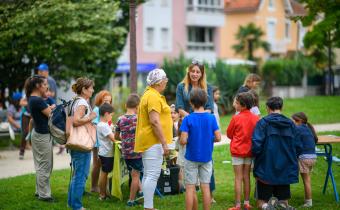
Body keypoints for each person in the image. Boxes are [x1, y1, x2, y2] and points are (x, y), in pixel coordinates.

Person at [252, 97, 302, 210]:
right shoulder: (291, 124)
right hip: (285, 167)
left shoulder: (262, 123)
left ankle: (266, 207)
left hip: (265, 167)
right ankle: (284, 206)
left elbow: (256, 145)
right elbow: (298, 146)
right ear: (282, 107)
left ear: (268, 108)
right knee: (284, 201)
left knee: (261, 202)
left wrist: (257, 158)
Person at [134, 68, 172, 210]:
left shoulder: (150, 94)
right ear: (159, 82)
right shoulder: (153, 96)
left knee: (148, 174)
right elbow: (154, 121)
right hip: (153, 141)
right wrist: (164, 143)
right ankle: (148, 207)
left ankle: (147, 206)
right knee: (152, 174)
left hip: (150, 141)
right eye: (165, 80)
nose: (166, 83)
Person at [180, 88, 221, 210]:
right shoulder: (212, 118)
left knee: (190, 188)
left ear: (191, 103)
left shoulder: (188, 119)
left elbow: (182, 140)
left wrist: (192, 139)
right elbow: (218, 138)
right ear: (206, 101)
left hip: (191, 158)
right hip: (206, 158)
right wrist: (207, 138)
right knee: (206, 187)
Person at [67, 77, 97, 210]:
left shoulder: (75, 101)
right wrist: (90, 117)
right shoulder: (82, 103)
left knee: (77, 174)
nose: (93, 90)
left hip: (75, 142)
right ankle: (77, 206)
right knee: (80, 176)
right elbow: (76, 121)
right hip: (81, 144)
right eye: (91, 88)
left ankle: (71, 203)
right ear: (84, 89)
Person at [227, 92, 260, 210]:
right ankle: (246, 203)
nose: (235, 104)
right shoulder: (256, 118)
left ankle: (237, 205)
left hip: (237, 151)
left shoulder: (236, 118)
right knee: (246, 177)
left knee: (238, 177)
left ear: (243, 105)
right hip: (249, 151)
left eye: (236, 102)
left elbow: (229, 134)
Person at [25, 75, 54, 202]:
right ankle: (45, 195)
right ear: (38, 86)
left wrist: (49, 108)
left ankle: (39, 191)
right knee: (45, 166)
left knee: (40, 165)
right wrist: (54, 108)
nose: (47, 86)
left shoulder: (33, 99)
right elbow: (51, 115)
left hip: (38, 134)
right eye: (45, 84)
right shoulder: (38, 100)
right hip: (42, 136)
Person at [114, 94, 143, 206]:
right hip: (136, 152)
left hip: (125, 152)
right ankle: (131, 200)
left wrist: (125, 138)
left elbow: (116, 136)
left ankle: (141, 191)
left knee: (133, 173)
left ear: (126, 105)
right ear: (137, 106)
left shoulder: (120, 119)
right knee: (136, 175)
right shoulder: (139, 119)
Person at [292, 112, 318, 208]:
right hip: (313, 157)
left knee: (306, 181)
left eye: (293, 121)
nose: (292, 123)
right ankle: (308, 200)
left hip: (304, 158)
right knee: (307, 179)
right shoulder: (308, 128)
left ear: (299, 121)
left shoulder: (297, 129)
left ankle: (308, 202)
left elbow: (296, 144)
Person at [90, 90, 113, 193]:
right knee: (97, 164)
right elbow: (94, 125)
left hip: (103, 141)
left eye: (109, 100)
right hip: (98, 142)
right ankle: (94, 186)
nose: (107, 102)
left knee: (102, 165)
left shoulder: (107, 110)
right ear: (100, 99)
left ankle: (102, 187)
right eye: (105, 100)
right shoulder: (97, 109)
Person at [97, 103, 116, 200]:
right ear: (106, 114)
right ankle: (102, 194)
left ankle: (104, 193)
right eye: (111, 115)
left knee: (104, 172)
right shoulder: (103, 126)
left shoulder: (102, 124)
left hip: (104, 152)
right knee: (104, 173)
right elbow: (113, 139)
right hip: (107, 153)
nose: (111, 117)